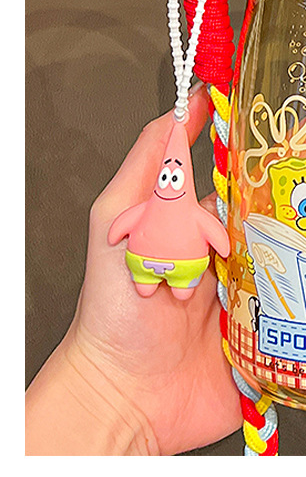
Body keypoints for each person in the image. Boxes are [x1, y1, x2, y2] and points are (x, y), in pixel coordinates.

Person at [25, 84, 242, 455]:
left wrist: (110, 392)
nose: (170, 182)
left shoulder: (190, 213)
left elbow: (214, 235)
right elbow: (122, 226)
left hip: (182, 272)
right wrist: (112, 386)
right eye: (167, 177)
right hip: (147, 269)